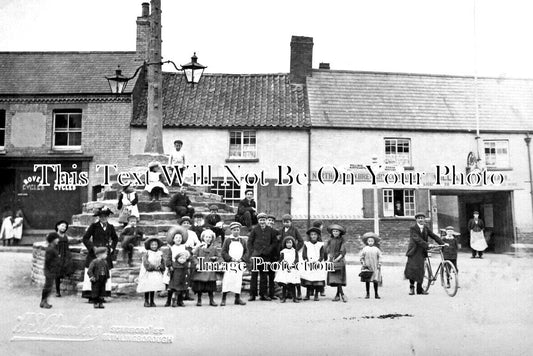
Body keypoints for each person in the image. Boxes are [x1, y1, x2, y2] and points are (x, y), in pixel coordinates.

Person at [81, 207, 118, 301]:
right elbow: (85, 238)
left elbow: (115, 238)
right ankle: (91, 296)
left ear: (108, 217)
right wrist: (93, 248)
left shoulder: (110, 227)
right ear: (99, 217)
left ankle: (102, 295)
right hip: (95, 253)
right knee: (93, 271)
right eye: (101, 216)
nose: (103, 218)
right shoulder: (94, 226)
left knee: (104, 273)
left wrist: (112, 247)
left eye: (105, 216)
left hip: (105, 253)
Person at [404, 212, 446, 295]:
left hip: (422, 251)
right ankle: (412, 287)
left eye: (422, 218)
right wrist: (427, 245)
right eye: (418, 218)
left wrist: (442, 242)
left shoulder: (426, 228)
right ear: (416, 220)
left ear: (424, 219)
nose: (420, 220)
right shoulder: (413, 228)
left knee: (421, 270)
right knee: (412, 269)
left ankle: (420, 289)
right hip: (414, 251)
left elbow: (433, 235)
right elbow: (417, 239)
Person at [247, 212, 277, 301]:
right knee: (254, 275)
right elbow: (249, 242)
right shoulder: (254, 230)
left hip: (266, 256)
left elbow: (274, 242)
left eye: (264, 220)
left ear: (266, 220)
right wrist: (252, 252)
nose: (262, 222)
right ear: (258, 221)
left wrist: (269, 250)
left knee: (264, 275)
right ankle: (252, 295)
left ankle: (263, 294)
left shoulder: (270, 230)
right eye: (260, 220)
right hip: (256, 255)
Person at [220, 222, 247, 306]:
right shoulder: (227, 240)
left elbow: (246, 252)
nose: (236, 231)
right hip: (230, 264)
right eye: (234, 230)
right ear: (231, 231)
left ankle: (237, 298)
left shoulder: (242, 240)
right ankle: (223, 299)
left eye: (238, 230)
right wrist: (230, 259)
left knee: (238, 281)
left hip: (239, 264)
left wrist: (242, 259)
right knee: (227, 280)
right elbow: (223, 252)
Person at [191, 230, 219, 307]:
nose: (208, 238)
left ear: (212, 238)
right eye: (206, 237)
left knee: (210, 286)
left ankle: (211, 300)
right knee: (200, 286)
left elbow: (218, 257)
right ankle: (199, 300)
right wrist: (197, 264)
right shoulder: (199, 247)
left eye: (210, 237)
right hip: (201, 268)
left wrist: (215, 259)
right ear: (203, 238)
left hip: (210, 269)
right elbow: (194, 257)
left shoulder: (213, 248)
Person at [163, 226, 189, 307]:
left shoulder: (184, 247)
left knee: (182, 285)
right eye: (176, 238)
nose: (178, 239)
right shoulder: (172, 248)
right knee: (172, 286)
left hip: (183, 268)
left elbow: (188, 256)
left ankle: (180, 301)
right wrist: (169, 265)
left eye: (180, 238)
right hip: (174, 269)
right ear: (173, 239)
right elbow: (169, 258)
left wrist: (187, 262)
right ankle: (168, 301)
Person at [279, 214, 304, 300]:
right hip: (285, 254)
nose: (286, 224)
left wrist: (296, 249)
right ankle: (288, 293)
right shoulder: (281, 231)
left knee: (295, 274)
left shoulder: (295, 230)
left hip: (293, 254)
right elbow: (279, 242)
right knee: (286, 274)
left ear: (291, 222)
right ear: (282, 223)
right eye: (284, 222)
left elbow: (301, 241)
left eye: (288, 222)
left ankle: (299, 292)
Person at [137, 237, 166, 307]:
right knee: (147, 286)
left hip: (156, 272)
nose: (154, 246)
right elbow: (146, 263)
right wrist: (152, 267)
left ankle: (152, 301)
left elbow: (162, 262)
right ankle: (146, 301)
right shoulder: (147, 253)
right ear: (149, 246)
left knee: (153, 286)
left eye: (155, 244)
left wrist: (161, 267)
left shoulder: (160, 253)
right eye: (152, 245)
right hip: (148, 272)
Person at [301, 227, 326, 301]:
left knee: (317, 279)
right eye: (312, 234)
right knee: (309, 279)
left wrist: (319, 261)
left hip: (318, 264)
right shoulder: (307, 244)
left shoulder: (320, 245)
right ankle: (308, 294)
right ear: (310, 236)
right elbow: (304, 254)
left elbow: (322, 255)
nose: (313, 236)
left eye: (315, 234)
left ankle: (316, 294)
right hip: (309, 264)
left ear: (318, 236)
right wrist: (307, 260)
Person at [325, 224, 347, 302]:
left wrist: (337, 259)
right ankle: (338, 295)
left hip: (339, 260)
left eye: (337, 231)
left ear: (340, 232)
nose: (335, 233)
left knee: (339, 279)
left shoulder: (342, 240)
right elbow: (326, 249)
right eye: (334, 231)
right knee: (335, 279)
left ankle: (342, 294)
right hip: (331, 260)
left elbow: (343, 251)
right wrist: (328, 257)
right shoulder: (329, 240)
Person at [275, 236, 300, 303]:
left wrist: (293, 264)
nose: (289, 244)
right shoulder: (283, 251)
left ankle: (294, 297)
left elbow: (297, 259)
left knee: (293, 284)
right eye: (287, 243)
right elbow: (281, 259)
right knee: (284, 284)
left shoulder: (294, 251)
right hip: (285, 269)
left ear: (293, 244)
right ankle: (283, 298)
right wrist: (282, 263)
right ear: (285, 244)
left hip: (293, 269)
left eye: (290, 243)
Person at [54, 220, 74, 297]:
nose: (64, 228)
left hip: (65, 255)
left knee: (67, 268)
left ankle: (67, 285)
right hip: (58, 255)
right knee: (57, 273)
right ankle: (57, 291)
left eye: (65, 227)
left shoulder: (65, 236)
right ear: (58, 226)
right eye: (62, 226)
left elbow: (70, 241)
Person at [360, 232, 382, 299]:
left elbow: (380, 256)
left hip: (374, 266)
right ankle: (367, 293)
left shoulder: (376, 249)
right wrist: (363, 263)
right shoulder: (365, 249)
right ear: (367, 242)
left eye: (372, 241)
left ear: (374, 242)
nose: (370, 242)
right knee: (367, 280)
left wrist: (379, 263)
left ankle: (376, 294)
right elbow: (361, 257)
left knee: (375, 280)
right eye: (369, 241)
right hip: (367, 266)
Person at [40, 233, 60, 308]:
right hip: (50, 271)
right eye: (56, 238)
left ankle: (44, 301)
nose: (58, 240)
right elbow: (48, 261)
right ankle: (43, 301)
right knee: (48, 286)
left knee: (49, 286)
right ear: (53, 240)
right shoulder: (50, 249)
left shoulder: (52, 248)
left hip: (51, 270)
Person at [311, 220, 326, 297]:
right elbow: (322, 247)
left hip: (316, 257)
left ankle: (313, 290)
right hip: (318, 257)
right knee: (319, 273)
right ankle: (321, 290)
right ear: (320, 226)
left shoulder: (313, 234)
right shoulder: (318, 235)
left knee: (314, 273)